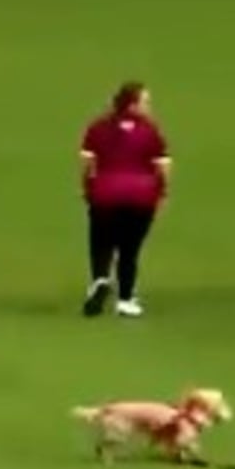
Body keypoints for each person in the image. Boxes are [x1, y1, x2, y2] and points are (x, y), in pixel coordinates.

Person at [79, 81, 171, 318]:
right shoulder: (150, 132)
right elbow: (163, 166)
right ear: (132, 105)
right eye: (145, 102)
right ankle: (126, 300)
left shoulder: (97, 128)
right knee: (129, 249)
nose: (149, 107)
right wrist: (162, 192)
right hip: (141, 197)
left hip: (105, 194)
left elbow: (87, 162)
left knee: (101, 241)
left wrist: (88, 187)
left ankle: (100, 279)